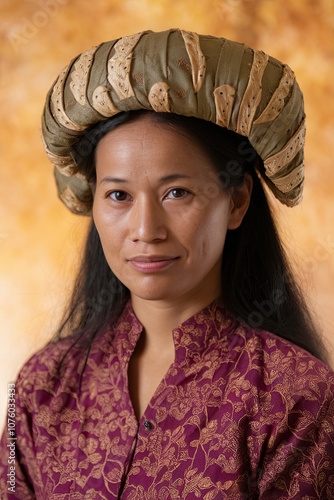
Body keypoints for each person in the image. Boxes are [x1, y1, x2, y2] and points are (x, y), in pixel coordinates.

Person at [0, 28, 333, 499]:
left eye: (177, 192)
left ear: (236, 201)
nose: (145, 229)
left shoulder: (297, 399)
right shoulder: (40, 388)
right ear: (92, 202)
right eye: (118, 195)